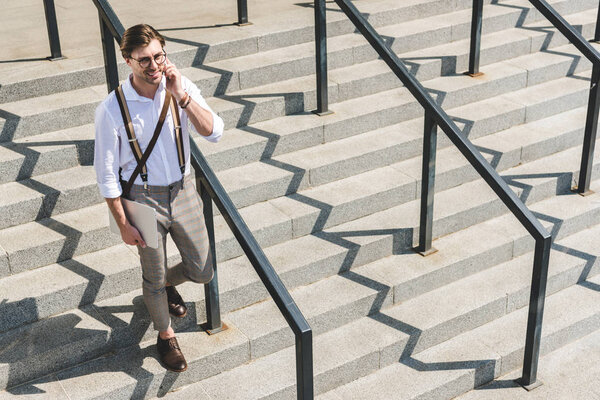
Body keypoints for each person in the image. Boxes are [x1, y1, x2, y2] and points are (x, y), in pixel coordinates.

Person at [94, 23, 224, 372]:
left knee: (202, 269)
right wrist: (122, 222)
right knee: (151, 275)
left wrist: (181, 95)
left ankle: (169, 283)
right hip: (141, 198)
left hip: (183, 192)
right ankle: (166, 337)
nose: (153, 66)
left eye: (158, 57)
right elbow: (106, 173)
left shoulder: (179, 87)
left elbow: (214, 132)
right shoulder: (112, 108)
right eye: (144, 60)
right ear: (128, 61)